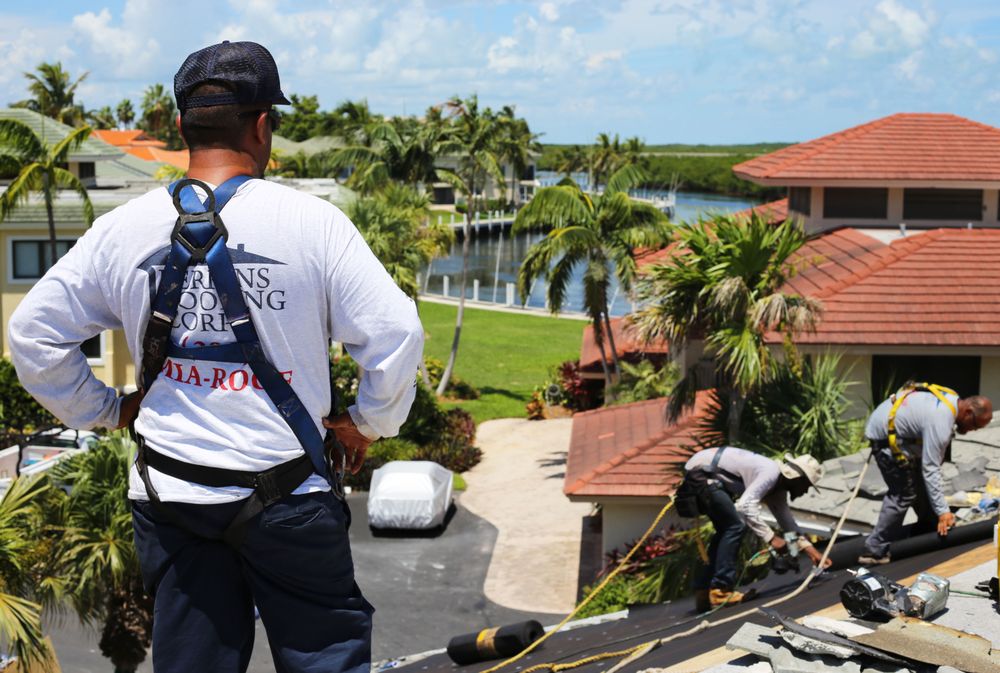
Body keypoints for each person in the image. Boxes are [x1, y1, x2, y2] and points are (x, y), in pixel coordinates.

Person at [7, 41, 423, 673]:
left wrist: (104, 410)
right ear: (262, 125)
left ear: (181, 125)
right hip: (289, 496)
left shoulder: (121, 230)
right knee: (325, 658)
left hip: (171, 496)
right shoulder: (313, 225)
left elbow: (34, 335)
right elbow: (395, 335)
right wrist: (368, 423)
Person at [682, 447, 830, 610]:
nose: (805, 490)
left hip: (705, 474)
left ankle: (704, 590)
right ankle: (721, 589)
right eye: (807, 485)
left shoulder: (777, 490)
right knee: (735, 526)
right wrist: (771, 539)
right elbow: (745, 506)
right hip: (702, 474)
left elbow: (787, 523)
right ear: (797, 478)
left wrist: (811, 552)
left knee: (726, 530)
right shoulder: (770, 473)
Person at [859, 385, 992, 565]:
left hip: (900, 437)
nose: (972, 430)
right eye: (975, 425)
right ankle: (874, 549)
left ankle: (927, 528)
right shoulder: (941, 421)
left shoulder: (951, 400)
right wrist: (944, 512)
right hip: (886, 442)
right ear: (968, 412)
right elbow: (931, 469)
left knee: (921, 485)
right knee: (903, 494)